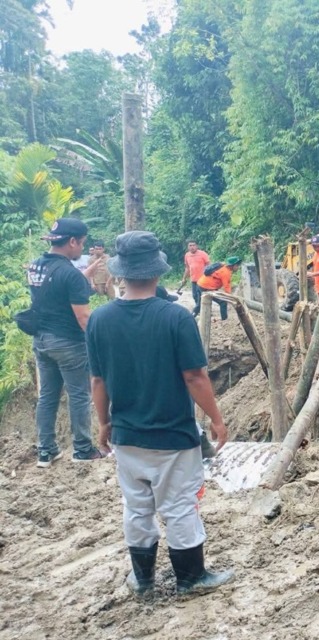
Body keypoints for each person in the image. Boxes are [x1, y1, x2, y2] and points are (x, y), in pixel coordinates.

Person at [87, 230, 233, 596]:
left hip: (127, 435)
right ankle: (190, 578)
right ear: (157, 271)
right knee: (179, 505)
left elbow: (98, 381)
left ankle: (143, 579)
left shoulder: (100, 320)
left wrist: (104, 423)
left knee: (137, 507)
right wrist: (216, 419)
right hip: (172, 435)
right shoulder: (176, 318)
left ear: (120, 273)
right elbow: (194, 377)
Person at [27, 218, 106, 467]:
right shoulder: (70, 274)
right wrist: (101, 344)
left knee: (47, 396)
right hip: (69, 343)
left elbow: (57, 286)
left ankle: (46, 451)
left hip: (41, 340)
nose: (82, 248)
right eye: (81, 243)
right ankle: (82, 449)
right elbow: (83, 318)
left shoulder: (36, 266)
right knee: (79, 395)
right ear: (72, 241)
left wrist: (84, 275)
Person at [196, 256, 241, 321]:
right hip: (206, 287)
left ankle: (192, 315)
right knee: (223, 302)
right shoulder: (226, 272)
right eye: (237, 265)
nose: (238, 267)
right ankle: (224, 320)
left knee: (199, 305)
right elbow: (227, 287)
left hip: (200, 284)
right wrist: (230, 298)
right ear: (232, 265)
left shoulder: (223, 266)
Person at [180, 240, 211, 316]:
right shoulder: (187, 255)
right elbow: (187, 268)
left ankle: (199, 311)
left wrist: (208, 275)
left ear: (196, 246)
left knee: (201, 296)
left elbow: (209, 265)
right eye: (190, 245)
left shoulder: (202, 254)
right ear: (188, 247)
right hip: (193, 279)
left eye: (193, 245)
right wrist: (184, 278)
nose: (192, 247)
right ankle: (201, 310)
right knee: (194, 296)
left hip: (203, 279)